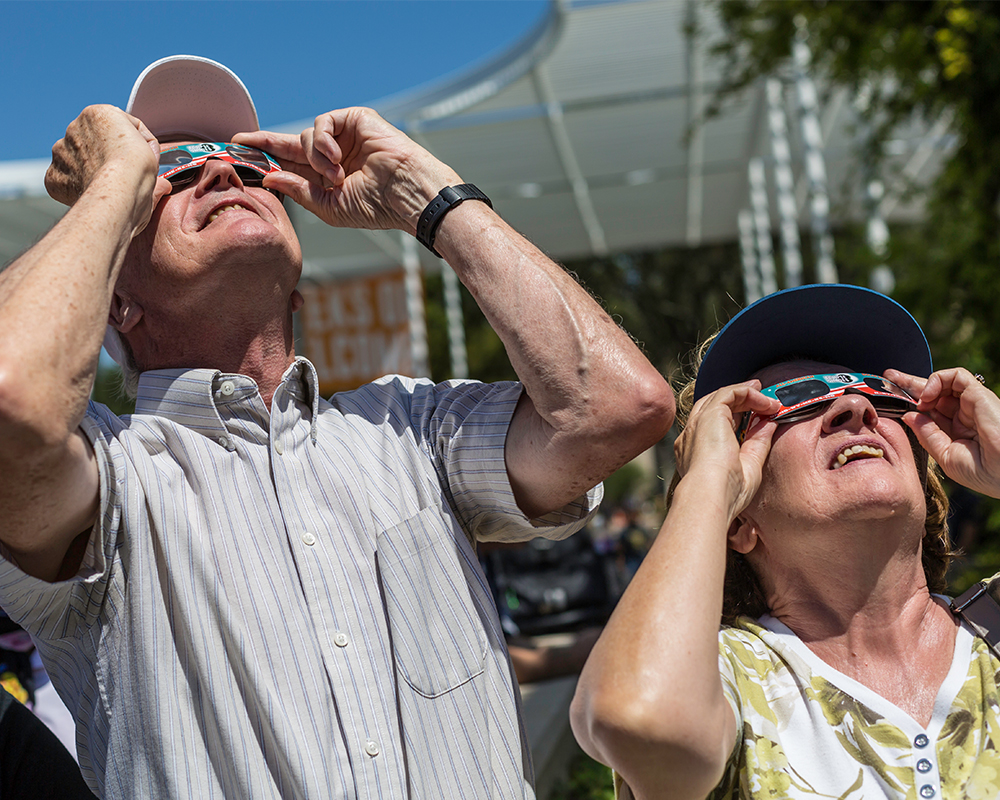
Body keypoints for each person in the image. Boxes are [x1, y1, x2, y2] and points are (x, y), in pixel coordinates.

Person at [0, 55, 675, 799]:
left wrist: (430, 197)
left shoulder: (409, 428)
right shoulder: (111, 481)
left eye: (248, 163)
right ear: (116, 303)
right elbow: (13, 402)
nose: (223, 172)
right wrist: (112, 181)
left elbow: (616, 408)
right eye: (175, 171)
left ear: (297, 290)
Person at [570, 283, 1000, 799]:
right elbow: (635, 717)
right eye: (792, 401)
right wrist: (706, 486)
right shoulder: (728, 684)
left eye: (871, 390)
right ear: (738, 520)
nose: (853, 408)